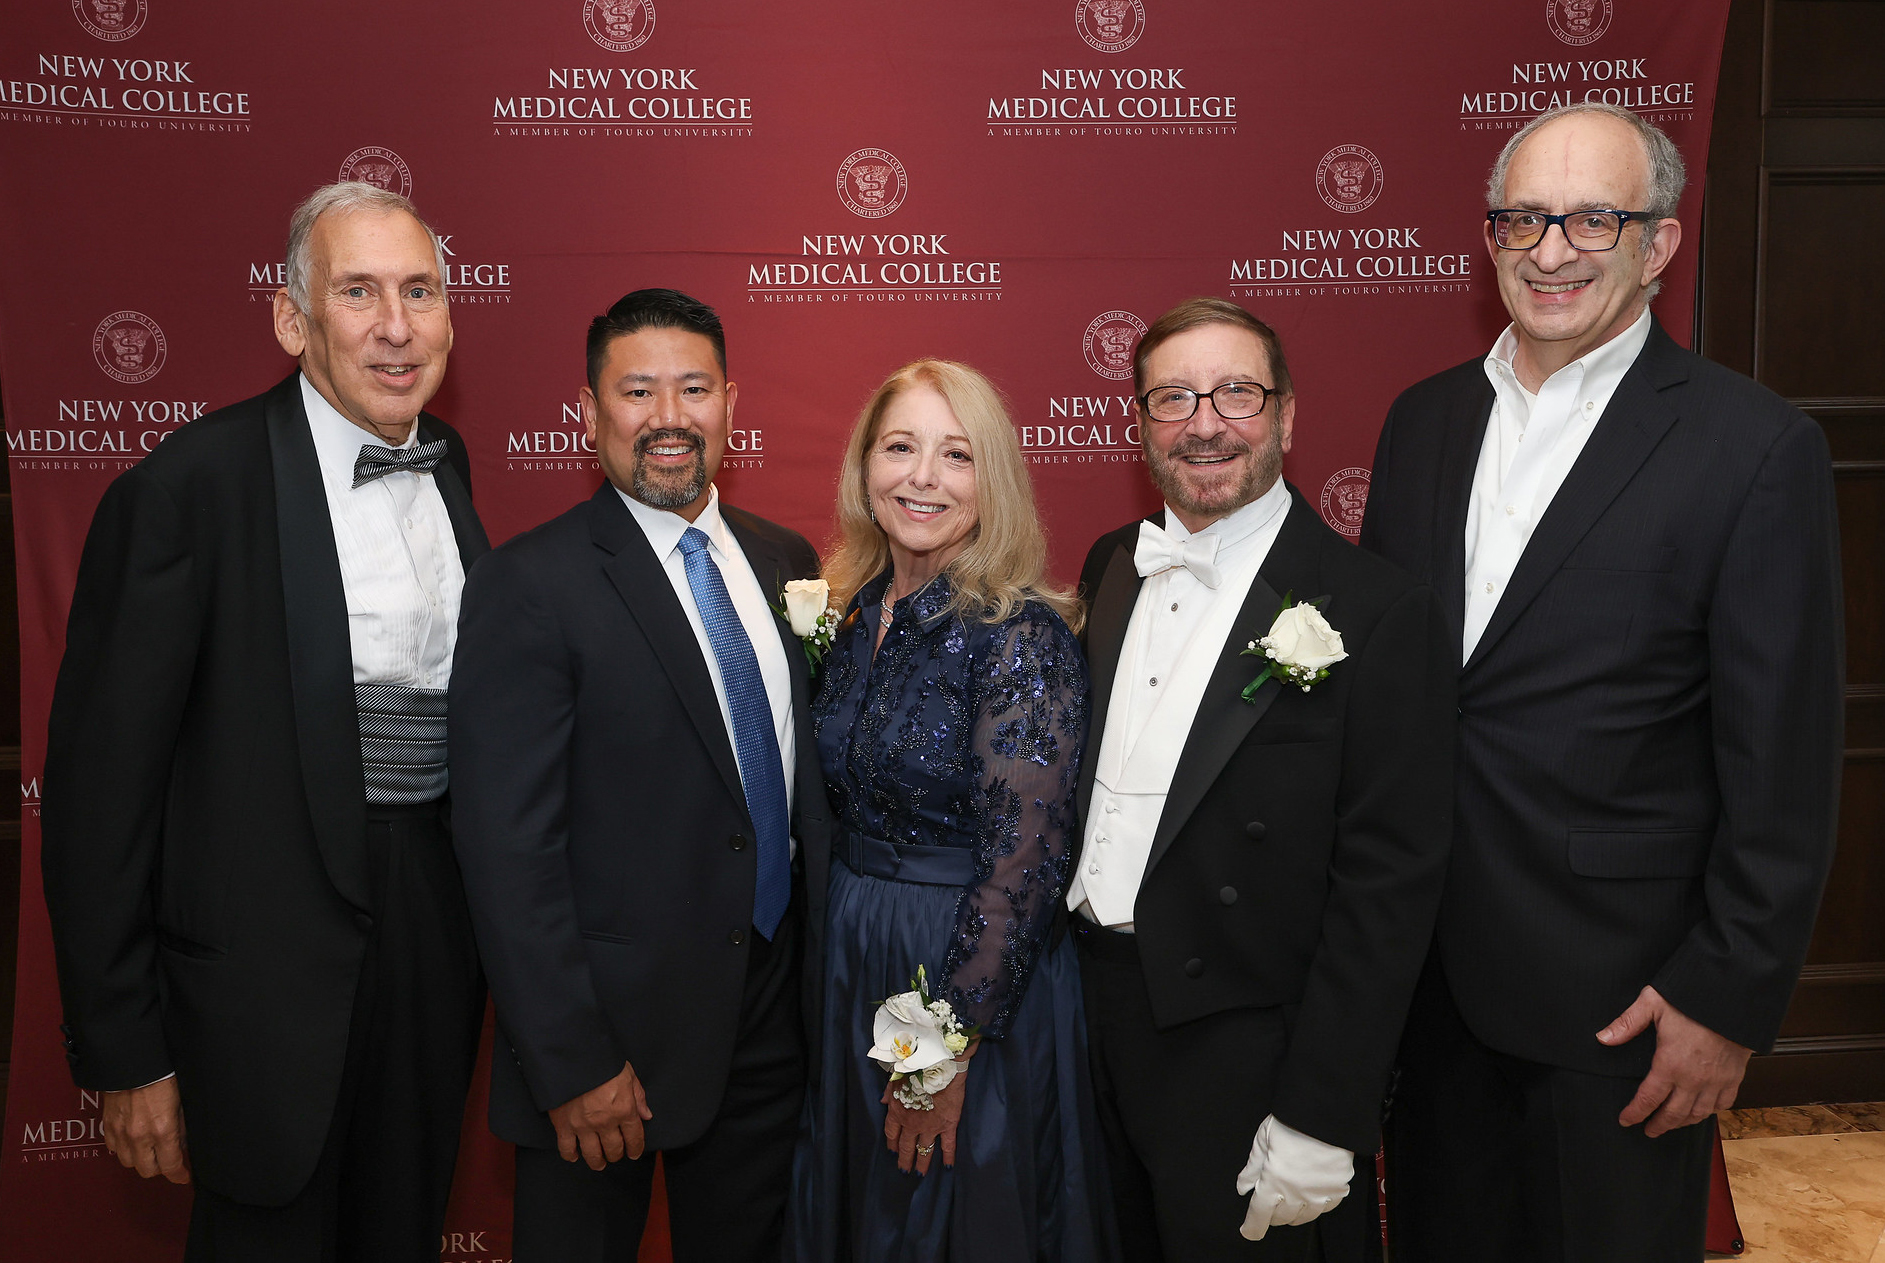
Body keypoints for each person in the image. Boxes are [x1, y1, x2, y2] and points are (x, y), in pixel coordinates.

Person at [1361, 102, 1843, 1261]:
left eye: (1592, 217)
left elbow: (1781, 757)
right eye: (1522, 218)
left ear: (1658, 245)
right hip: (1422, 990)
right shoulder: (1423, 422)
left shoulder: (1752, 447)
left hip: (1623, 1003)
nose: (1551, 248)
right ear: (1489, 238)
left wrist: (1724, 997)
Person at [41, 181, 489, 1258]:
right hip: (252, 999)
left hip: (430, 949)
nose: (396, 325)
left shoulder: (451, 470)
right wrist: (127, 1051)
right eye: (359, 292)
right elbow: (101, 797)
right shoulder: (188, 490)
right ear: (293, 321)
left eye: (420, 290)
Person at [448, 289, 830, 1262]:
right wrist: (570, 1059)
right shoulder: (529, 583)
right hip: (604, 1045)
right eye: (638, 390)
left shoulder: (785, 560)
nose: (669, 415)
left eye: (694, 387)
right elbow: (505, 847)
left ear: (731, 403)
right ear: (588, 413)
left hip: (770, 1024)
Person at [1071, 298, 1455, 1260]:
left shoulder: (1375, 608)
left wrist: (1325, 1112)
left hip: (1246, 1052)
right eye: (1173, 398)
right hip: (1086, 1020)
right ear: (1139, 424)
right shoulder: (1111, 564)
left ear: (1286, 416)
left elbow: (1389, 885)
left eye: (1236, 392)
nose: (1204, 422)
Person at [788, 360, 1116, 1262]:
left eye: (956, 455)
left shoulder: (1020, 636)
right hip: (856, 954)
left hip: (956, 974)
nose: (922, 477)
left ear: (993, 480)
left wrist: (944, 1048)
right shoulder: (855, 614)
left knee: (950, 1217)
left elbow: (1027, 860)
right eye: (900, 447)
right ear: (864, 466)